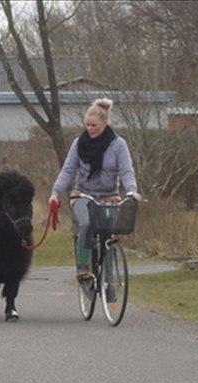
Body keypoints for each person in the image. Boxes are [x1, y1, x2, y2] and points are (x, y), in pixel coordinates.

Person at [49, 98, 142, 283]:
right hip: (83, 195)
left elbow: (126, 170)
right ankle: (83, 266)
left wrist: (132, 190)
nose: (90, 129)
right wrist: (55, 192)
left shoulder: (118, 145)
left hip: (109, 196)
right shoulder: (79, 143)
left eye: (94, 125)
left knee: (109, 234)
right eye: (87, 125)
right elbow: (68, 170)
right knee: (86, 225)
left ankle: (109, 279)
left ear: (105, 123)